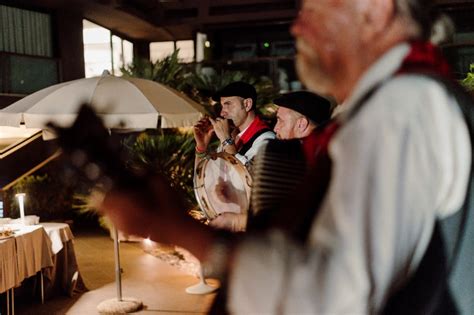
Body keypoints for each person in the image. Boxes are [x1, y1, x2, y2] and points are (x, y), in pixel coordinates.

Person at [99, 1, 473, 314]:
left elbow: (329, 296)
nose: (297, 26)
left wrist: (178, 230)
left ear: (375, 9)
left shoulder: (402, 109)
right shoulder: (412, 99)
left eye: (314, 7)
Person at [211, 91, 332, 232]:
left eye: (280, 120)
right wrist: (233, 195)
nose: (275, 128)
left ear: (301, 124)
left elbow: (298, 219)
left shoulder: (310, 162)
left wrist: (236, 221)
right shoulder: (304, 154)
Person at [193, 81, 275, 168]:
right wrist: (201, 148)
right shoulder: (232, 138)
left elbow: (251, 178)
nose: (222, 113)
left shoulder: (267, 140)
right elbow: (206, 179)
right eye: (222, 106)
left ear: (247, 104)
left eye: (227, 105)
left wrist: (226, 141)